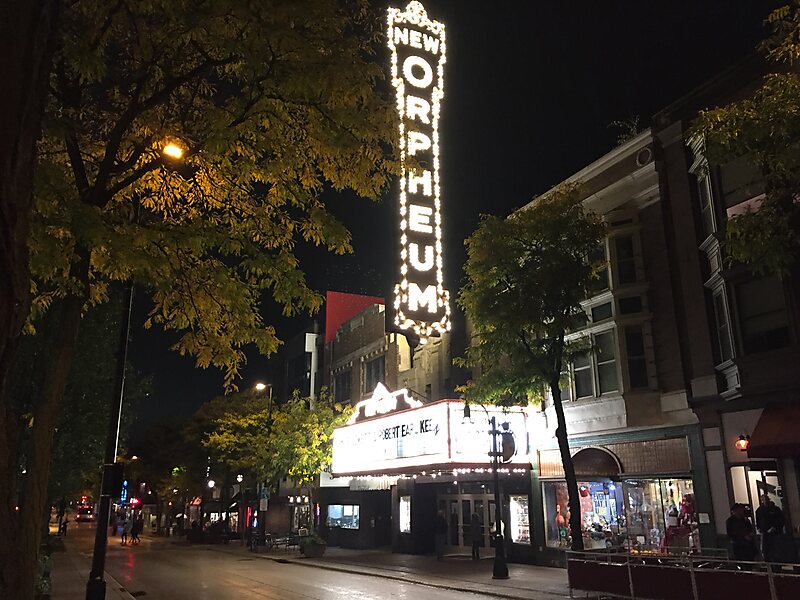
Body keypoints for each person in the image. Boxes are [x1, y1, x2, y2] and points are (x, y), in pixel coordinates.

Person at [756, 494, 785, 562]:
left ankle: (777, 565)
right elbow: (758, 520)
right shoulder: (759, 510)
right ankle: (768, 563)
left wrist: (775, 527)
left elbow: (781, 520)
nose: (766, 501)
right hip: (765, 533)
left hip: (775, 533)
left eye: (767, 499)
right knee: (765, 550)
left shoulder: (775, 509)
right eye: (764, 499)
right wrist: (759, 528)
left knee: (777, 550)